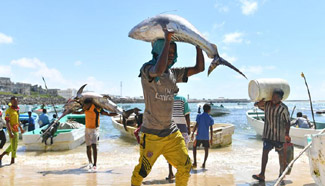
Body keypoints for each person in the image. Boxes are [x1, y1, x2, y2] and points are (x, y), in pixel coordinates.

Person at [131, 28, 205, 186]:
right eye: (167, 50)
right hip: (151, 135)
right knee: (142, 172)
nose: (171, 54)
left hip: (171, 133)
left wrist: (198, 45)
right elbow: (157, 70)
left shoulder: (174, 74)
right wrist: (168, 39)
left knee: (185, 166)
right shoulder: (146, 70)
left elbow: (199, 68)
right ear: (158, 50)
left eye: (173, 51)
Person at [252, 89, 291, 182]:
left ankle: (281, 174)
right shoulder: (267, 104)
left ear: (281, 98)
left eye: (277, 97)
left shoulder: (283, 108)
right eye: (273, 96)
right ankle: (262, 174)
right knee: (265, 153)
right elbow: (255, 105)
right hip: (268, 134)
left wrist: (287, 134)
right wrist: (258, 103)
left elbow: (288, 122)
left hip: (279, 136)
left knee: (281, 155)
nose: (274, 98)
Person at [74, 98, 117, 171]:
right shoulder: (85, 108)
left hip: (95, 129)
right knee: (88, 147)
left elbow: (106, 113)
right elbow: (80, 112)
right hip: (87, 129)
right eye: (84, 105)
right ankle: (90, 162)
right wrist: (71, 112)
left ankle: (95, 164)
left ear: (90, 104)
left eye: (86, 105)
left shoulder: (97, 108)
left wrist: (117, 113)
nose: (84, 107)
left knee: (94, 146)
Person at [166, 93, 191, 182]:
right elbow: (187, 115)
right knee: (184, 150)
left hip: (170, 127)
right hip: (182, 127)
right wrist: (189, 127)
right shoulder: (183, 99)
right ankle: (185, 171)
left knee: (169, 150)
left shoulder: (167, 99)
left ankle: (170, 173)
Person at [0, 96, 25, 166]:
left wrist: (21, 128)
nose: (15, 102)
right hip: (11, 129)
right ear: (11, 102)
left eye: (16, 101)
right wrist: (10, 132)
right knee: (14, 146)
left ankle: (1, 155)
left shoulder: (17, 109)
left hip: (16, 129)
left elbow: (18, 120)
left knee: (15, 145)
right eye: (13, 101)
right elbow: (7, 122)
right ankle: (12, 160)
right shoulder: (8, 110)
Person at [191, 103, 214, 169]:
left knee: (194, 147)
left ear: (203, 109)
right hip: (206, 137)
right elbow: (211, 129)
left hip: (199, 136)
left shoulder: (199, 116)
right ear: (209, 110)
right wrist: (211, 138)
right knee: (206, 150)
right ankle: (204, 163)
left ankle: (195, 162)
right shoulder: (210, 118)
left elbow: (196, 125)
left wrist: (192, 133)